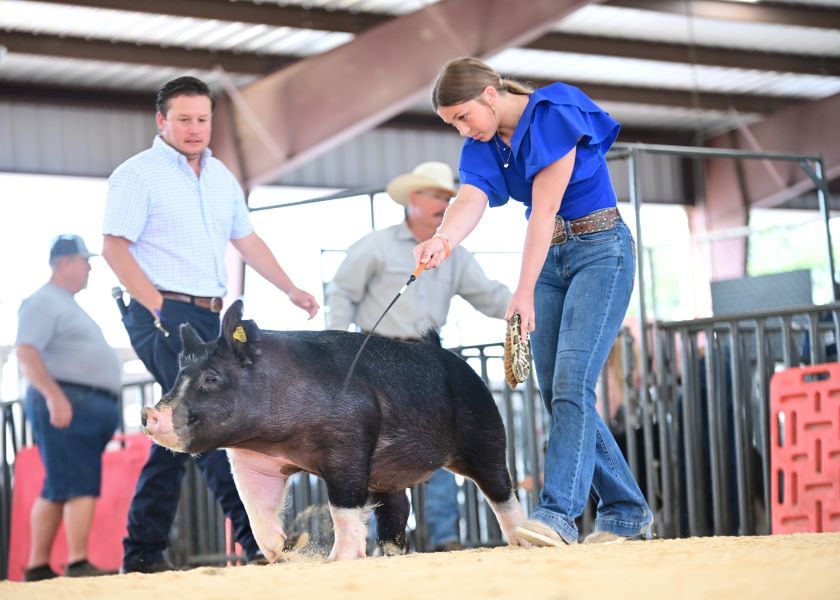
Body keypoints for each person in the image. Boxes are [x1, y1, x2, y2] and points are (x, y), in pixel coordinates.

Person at [415, 57, 653, 546]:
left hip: (601, 253)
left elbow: (543, 210)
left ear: (489, 94)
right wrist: (443, 240)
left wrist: (522, 291)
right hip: (552, 262)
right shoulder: (484, 143)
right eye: (451, 124)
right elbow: (471, 197)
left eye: (463, 116)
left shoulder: (553, 111)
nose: (462, 130)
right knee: (558, 391)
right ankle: (627, 511)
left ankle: (558, 515)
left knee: (571, 384)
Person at [101, 75, 319, 573]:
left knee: (178, 430)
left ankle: (142, 551)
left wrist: (290, 287)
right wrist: (155, 306)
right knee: (207, 423)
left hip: (209, 312)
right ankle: (257, 543)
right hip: (159, 310)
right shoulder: (138, 174)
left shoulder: (221, 176)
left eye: (202, 119)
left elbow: (247, 240)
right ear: (162, 122)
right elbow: (114, 246)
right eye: (183, 119)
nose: (195, 128)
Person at [325, 161, 511, 551]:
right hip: (378, 357)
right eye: (438, 196)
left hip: (427, 358)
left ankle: (444, 538)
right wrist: (335, 346)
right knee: (380, 449)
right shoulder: (375, 246)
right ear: (414, 199)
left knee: (442, 444)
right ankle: (389, 540)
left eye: (449, 197)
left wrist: (526, 307)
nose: (445, 203)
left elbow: (489, 295)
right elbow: (342, 292)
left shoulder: (455, 254)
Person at [16, 235, 122, 581]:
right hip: (66, 400)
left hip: (78, 402)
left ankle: (37, 565)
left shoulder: (64, 304)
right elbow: (27, 352)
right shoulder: (43, 301)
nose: (90, 266)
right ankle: (77, 562)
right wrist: (53, 395)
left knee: (60, 484)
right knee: (78, 481)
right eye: (83, 260)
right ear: (63, 263)